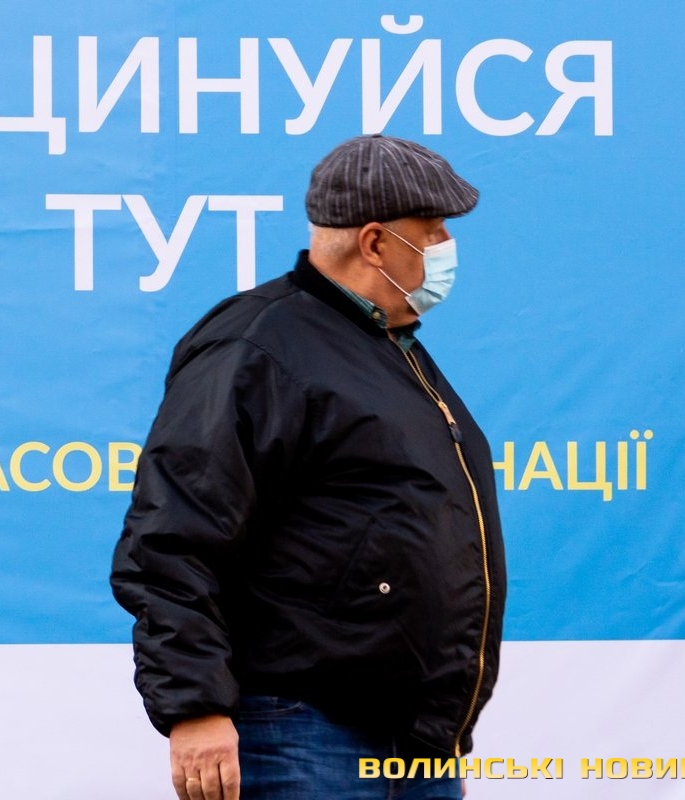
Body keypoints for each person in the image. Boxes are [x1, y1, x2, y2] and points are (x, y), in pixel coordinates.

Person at [110, 134, 507, 800]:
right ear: (376, 243)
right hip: (304, 734)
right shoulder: (259, 345)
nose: (446, 246)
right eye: (433, 231)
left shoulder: (388, 347)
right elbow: (172, 539)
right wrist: (195, 706)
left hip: (414, 743)